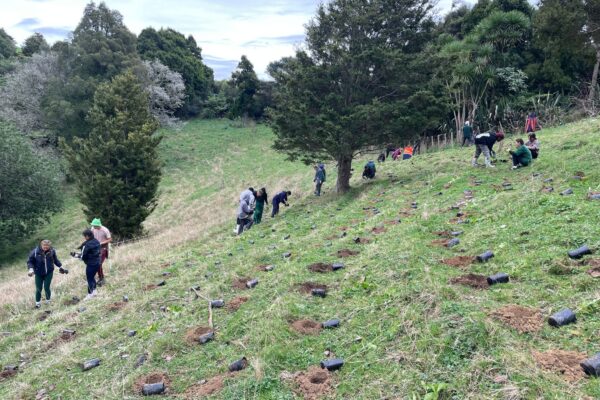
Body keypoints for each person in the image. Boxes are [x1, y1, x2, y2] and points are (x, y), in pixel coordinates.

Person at [27, 240, 65, 308]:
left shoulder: (52, 251)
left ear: (49, 246)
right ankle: (38, 304)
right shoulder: (35, 252)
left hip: (49, 272)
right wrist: (31, 269)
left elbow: (55, 260)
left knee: (47, 287)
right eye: (44, 245)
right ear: (41, 245)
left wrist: (61, 266)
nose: (46, 247)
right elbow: (30, 261)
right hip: (38, 273)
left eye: (47, 246)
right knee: (39, 288)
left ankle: (48, 301)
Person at [72, 229, 101, 300]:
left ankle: (90, 294)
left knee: (89, 279)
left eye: (84, 236)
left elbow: (83, 256)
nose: (84, 237)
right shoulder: (96, 241)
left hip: (91, 264)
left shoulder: (87, 244)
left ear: (87, 236)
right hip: (98, 262)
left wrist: (75, 255)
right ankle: (94, 291)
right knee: (92, 277)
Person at [90, 218, 111, 287]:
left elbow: (110, 239)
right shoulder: (93, 229)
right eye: (93, 225)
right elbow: (91, 236)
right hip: (95, 249)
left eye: (94, 225)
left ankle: (102, 278)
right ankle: (99, 277)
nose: (93, 226)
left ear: (98, 225)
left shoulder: (105, 230)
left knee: (99, 263)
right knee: (95, 263)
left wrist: (101, 243)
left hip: (103, 248)